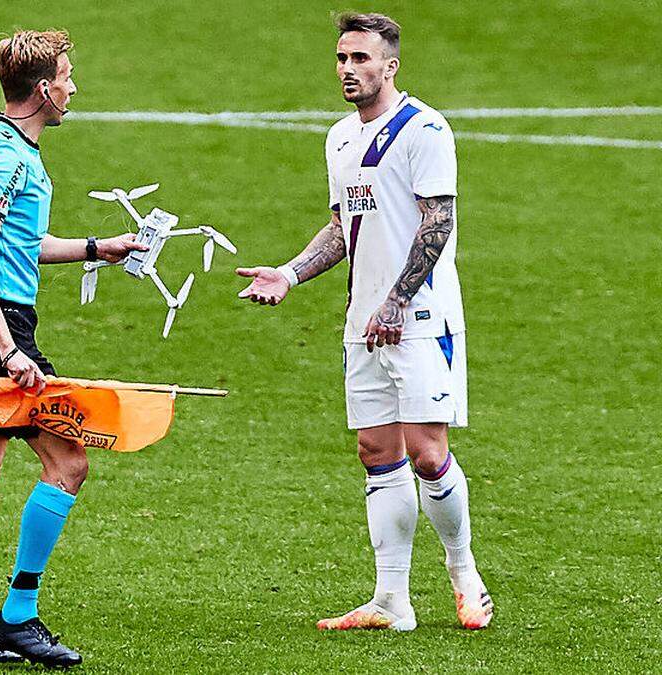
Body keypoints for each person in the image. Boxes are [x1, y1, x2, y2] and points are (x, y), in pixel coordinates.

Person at [237, 12, 492, 631]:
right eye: (342, 58)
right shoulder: (339, 139)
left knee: (428, 453)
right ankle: (391, 601)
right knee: (376, 450)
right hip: (363, 320)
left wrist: (399, 301)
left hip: (420, 317)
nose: (348, 69)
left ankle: (466, 577)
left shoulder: (425, 130)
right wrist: (292, 273)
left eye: (361, 58)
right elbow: (342, 228)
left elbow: (438, 222)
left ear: (390, 65)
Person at [0, 29, 147, 667]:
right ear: (44, 88)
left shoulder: (7, 148)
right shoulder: (5, 158)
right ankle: (17, 617)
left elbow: (16, 245)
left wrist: (98, 248)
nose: (74, 87)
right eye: (68, 76)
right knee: (68, 460)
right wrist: (9, 351)